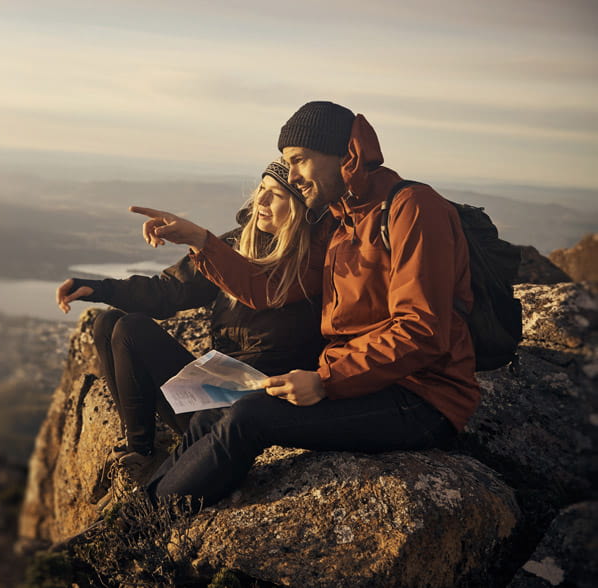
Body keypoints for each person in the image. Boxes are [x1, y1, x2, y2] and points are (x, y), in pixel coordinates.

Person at [135, 101, 481, 507]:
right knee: (215, 414)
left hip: (421, 398)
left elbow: (421, 329)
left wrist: (327, 379)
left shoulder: (412, 208)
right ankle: (143, 510)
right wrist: (200, 240)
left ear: (344, 155)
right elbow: (270, 289)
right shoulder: (342, 219)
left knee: (250, 418)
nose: (293, 176)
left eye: (299, 160)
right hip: (368, 382)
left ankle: (143, 527)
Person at [54, 157, 329, 499]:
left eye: (276, 195)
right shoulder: (235, 245)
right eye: (261, 189)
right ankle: (137, 447)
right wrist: (98, 289)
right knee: (107, 321)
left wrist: (200, 240)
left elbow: (271, 293)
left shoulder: (311, 264)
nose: (259, 200)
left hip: (244, 406)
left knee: (131, 330)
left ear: (301, 209)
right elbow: (169, 291)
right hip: (212, 385)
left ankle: (142, 456)